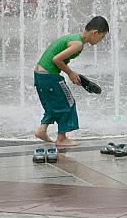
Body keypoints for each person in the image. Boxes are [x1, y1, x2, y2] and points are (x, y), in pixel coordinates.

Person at [34, 16, 109, 146]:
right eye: (102, 37)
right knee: (68, 103)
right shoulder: (78, 44)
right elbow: (56, 59)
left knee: (55, 103)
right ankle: (62, 138)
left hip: (40, 74)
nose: (101, 40)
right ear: (95, 33)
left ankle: (42, 129)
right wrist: (70, 73)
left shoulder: (74, 37)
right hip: (49, 75)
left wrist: (73, 75)